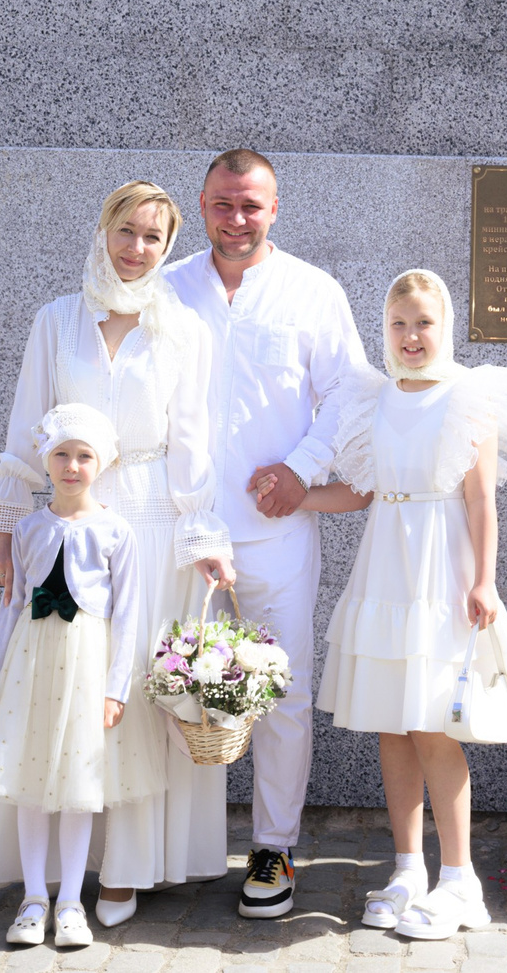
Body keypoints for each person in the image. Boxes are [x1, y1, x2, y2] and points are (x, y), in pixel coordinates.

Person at [0, 182, 236, 924]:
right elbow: (29, 428)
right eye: (126, 231)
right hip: (68, 527)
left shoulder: (181, 326)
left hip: (153, 527)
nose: (137, 248)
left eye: (154, 236)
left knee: (136, 698)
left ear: (167, 245)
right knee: (59, 691)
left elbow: (193, 443)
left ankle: (125, 870)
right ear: (103, 230)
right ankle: (49, 881)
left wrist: (205, 538)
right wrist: (4, 526)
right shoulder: (56, 320)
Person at [163, 148, 375, 919]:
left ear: (275, 208)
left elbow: (350, 395)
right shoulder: (170, 286)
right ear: (202, 203)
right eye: (224, 203)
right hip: (185, 532)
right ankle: (171, 846)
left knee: (280, 693)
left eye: (251, 204)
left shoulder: (313, 291)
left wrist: (300, 468)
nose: (237, 218)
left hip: (276, 530)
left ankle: (272, 845)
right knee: (175, 689)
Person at [299, 268, 507, 940]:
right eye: (398, 324)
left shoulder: (468, 398)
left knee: (433, 723)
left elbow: (482, 499)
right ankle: (407, 867)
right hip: (385, 568)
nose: (410, 336)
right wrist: (298, 496)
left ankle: (461, 879)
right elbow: (360, 490)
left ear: (444, 325)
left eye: (423, 322)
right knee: (391, 724)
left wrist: (483, 580)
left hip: (443, 569)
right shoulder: (374, 398)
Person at [0, 405, 160, 948]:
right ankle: (33, 898)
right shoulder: (28, 528)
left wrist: (116, 687)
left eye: (84, 456)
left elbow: (129, 614)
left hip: (87, 665)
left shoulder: (115, 531)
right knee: (27, 782)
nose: (72, 466)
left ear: (102, 464)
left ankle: (72, 900)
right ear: (46, 461)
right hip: (30, 667)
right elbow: (11, 607)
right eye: (62, 455)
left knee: (78, 784)